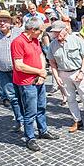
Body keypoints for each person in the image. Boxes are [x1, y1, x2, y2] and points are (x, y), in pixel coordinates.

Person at [11, 17, 59, 152]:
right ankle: (30, 137)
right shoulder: (18, 42)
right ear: (32, 30)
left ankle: (43, 130)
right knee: (30, 111)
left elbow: (40, 57)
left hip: (38, 79)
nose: (42, 34)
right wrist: (39, 71)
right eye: (40, 31)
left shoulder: (35, 40)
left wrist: (42, 73)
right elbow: (19, 65)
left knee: (41, 107)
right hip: (26, 82)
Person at [47, 21, 84, 134]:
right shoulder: (53, 45)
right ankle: (77, 120)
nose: (57, 34)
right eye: (55, 32)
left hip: (78, 72)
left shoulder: (76, 39)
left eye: (59, 31)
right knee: (70, 98)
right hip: (63, 73)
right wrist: (56, 77)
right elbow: (52, 63)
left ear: (65, 29)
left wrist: (82, 71)